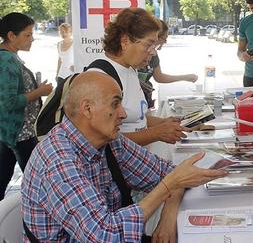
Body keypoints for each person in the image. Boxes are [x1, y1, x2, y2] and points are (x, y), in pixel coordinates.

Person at [21, 71, 226, 241]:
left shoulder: (109, 141)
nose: (123, 114)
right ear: (87, 109)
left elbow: (169, 173)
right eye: (115, 104)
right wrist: (168, 186)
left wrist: (168, 215)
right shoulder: (58, 160)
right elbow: (107, 236)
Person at [89, 7, 187, 146]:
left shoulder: (130, 70)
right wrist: (156, 133)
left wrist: (166, 123)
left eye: (155, 45)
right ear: (125, 41)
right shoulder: (101, 77)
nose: (153, 52)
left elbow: (137, 119)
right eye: (149, 45)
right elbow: (102, 140)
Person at [0, 12, 53, 201]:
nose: (32, 39)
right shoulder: (6, 61)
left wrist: (35, 88)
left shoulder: (9, 58)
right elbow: (8, 103)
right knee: (37, 184)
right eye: (27, 35)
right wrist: (40, 92)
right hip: (20, 134)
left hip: (13, 133)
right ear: (11, 36)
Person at [137, 20, 198, 108]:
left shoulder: (153, 55)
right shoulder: (128, 65)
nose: (153, 53)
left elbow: (159, 77)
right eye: (164, 39)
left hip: (144, 102)